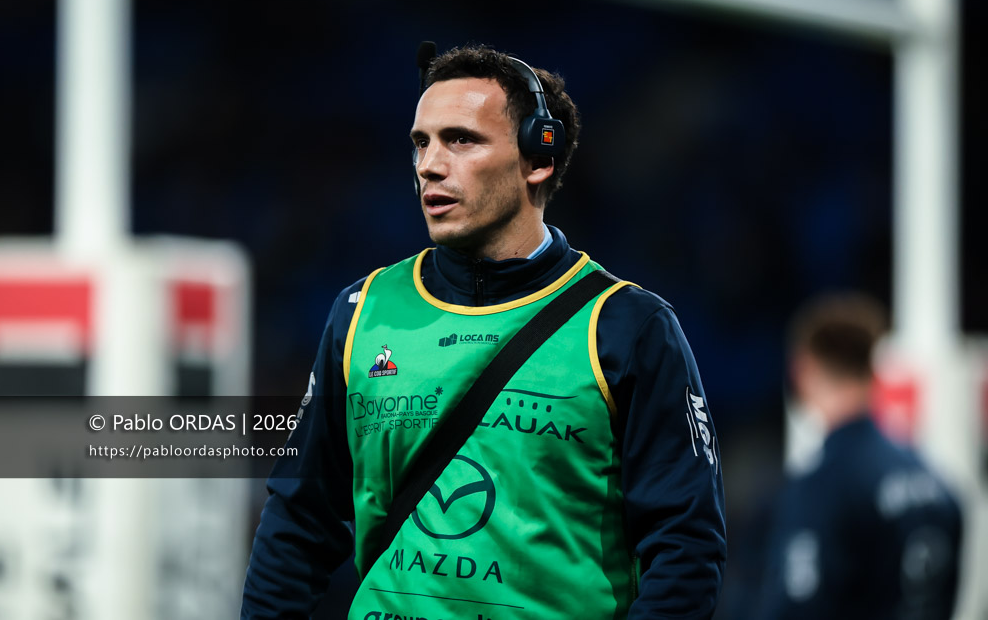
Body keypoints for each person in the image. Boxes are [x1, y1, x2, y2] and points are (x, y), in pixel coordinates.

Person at [241, 45, 726, 619]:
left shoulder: (627, 328)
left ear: (536, 159)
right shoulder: (362, 311)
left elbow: (685, 550)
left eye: (461, 139)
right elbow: (298, 521)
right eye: (421, 142)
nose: (429, 164)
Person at [757, 293, 963, 619]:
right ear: (872, 369)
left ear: (804, 368)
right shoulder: (936, 483)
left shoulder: (821, 488)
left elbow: (796, 607)